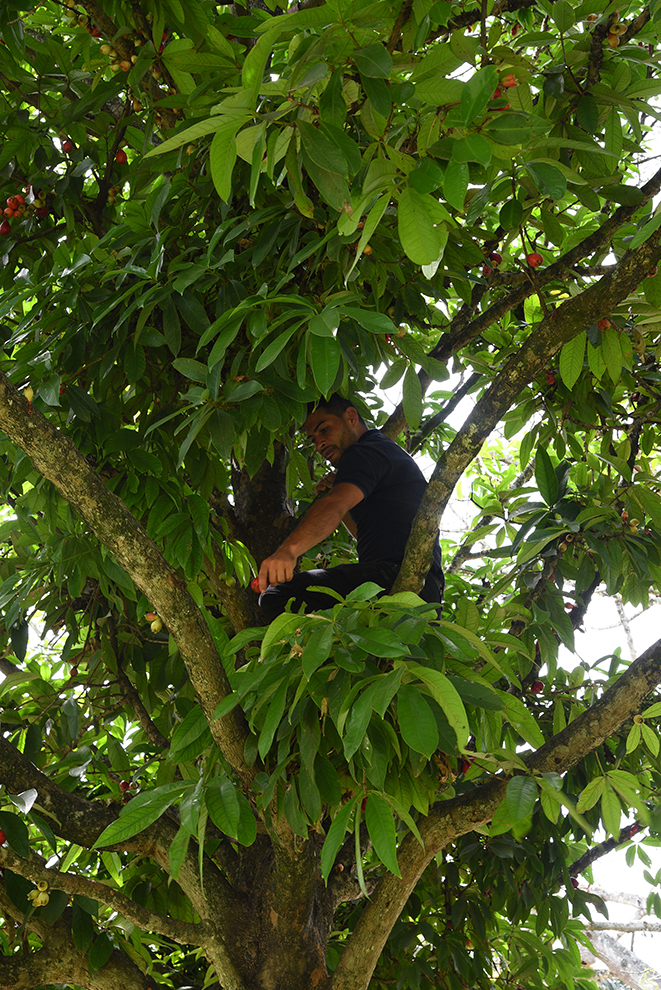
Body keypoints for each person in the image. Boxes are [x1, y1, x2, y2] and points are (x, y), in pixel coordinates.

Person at [256, 395, 444, 622]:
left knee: (278, 596)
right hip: (425, 593)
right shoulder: (383, 452)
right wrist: (344, 506)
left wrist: (288, 551)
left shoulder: (364, 451)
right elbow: (364, 533)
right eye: (313, 439)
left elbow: (334, 504)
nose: (319, 445)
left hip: (397, 577)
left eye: (324, 430)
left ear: (351, 417)